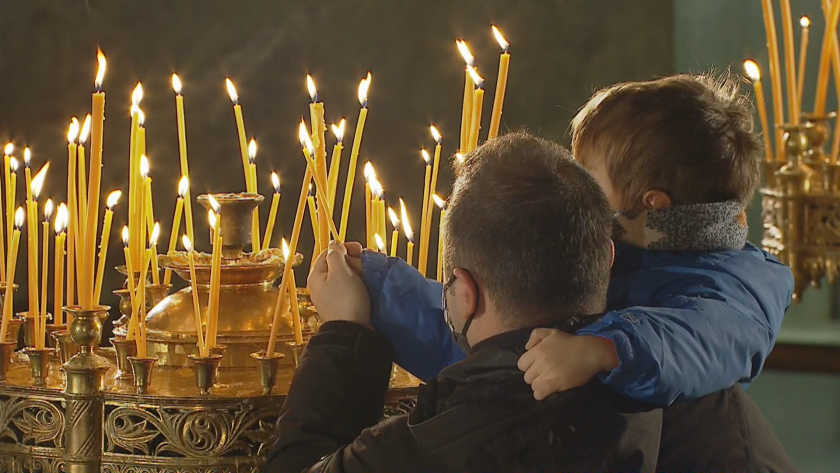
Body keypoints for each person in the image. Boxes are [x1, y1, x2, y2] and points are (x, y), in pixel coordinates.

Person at [356, 73, 793, 406]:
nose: (575, 184)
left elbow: (701, 339)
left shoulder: (737, 288)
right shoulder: (622, 249)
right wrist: (374, 284)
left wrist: (602, 349)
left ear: (653, 206)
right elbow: (488, 342)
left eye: (588, 174)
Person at [266, 133, 664, 472]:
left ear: (467, 294)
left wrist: (344, 332)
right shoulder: (662, 389)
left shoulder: (436, 443)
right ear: (607, 259)